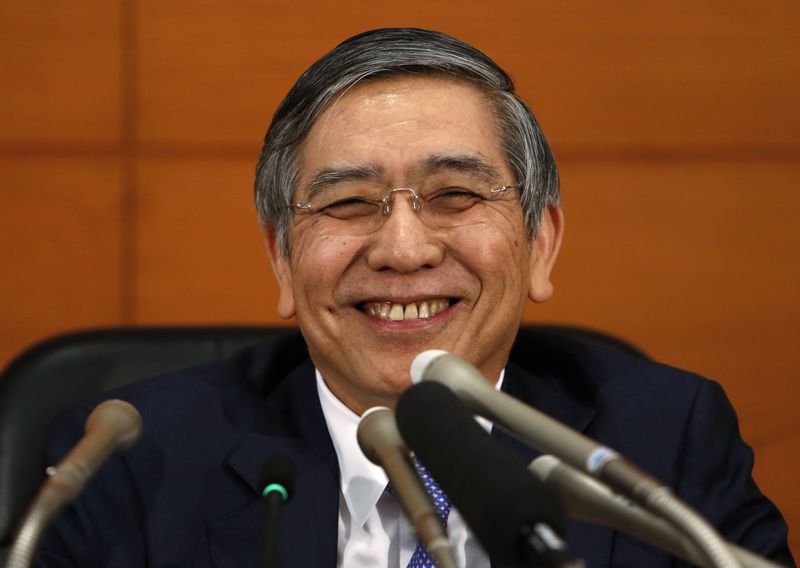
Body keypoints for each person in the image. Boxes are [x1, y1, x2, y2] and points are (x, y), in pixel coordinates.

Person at [35, 28, 793, 567]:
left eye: (456, 194)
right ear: (281, 257)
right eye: (348, 203)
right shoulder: (135, 462)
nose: (403, 249)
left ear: (540, 244)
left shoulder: (662, 440)